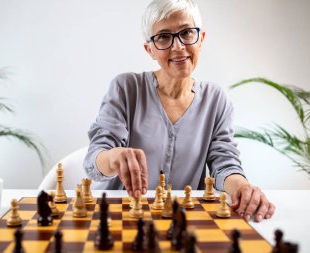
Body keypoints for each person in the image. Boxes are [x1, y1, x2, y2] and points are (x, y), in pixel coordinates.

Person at [84, 0, 275, 222]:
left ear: (201, 39)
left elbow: (224, 164)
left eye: (186, 33)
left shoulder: (216, 99)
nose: (178, 46)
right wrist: (113, 157)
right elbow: (93, 162)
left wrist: (242, 187)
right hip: (120, 216)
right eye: (163, 37)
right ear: (150, 50)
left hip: (182, 220)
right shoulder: (126, 88)